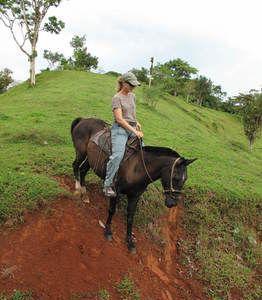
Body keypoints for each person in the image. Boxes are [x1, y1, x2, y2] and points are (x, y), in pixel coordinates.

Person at [103, 72, 143, 197]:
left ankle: (136, 179)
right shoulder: (117, 98)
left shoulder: (132, 96)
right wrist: (134, 131)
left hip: (131, 127)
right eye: (131, 84)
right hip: (120, 129)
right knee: (118, 156)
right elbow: (120, 119)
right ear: (124, 83)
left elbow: (132, 113)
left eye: (134, 85)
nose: (133, 87)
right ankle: (107, 184)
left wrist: (137, 123)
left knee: (143, 151)